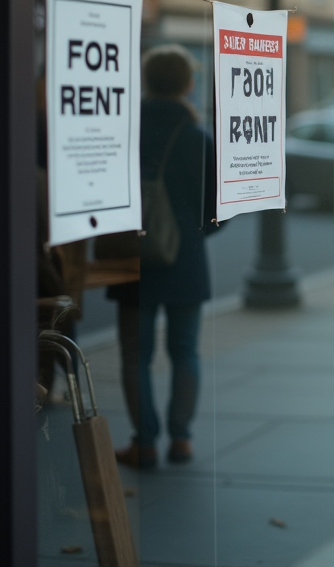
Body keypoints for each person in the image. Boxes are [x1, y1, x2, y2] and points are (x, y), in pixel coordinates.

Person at [111, 45, 219, 469]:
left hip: (130, 256)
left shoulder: (124, 130)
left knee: (134, 355)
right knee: (185, 350)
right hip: (185, 261)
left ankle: (145, 442)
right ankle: (182, 440)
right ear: (188, 86)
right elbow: (218, 208)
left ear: (147, 81)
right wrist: (192, 237)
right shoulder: (197, 137)